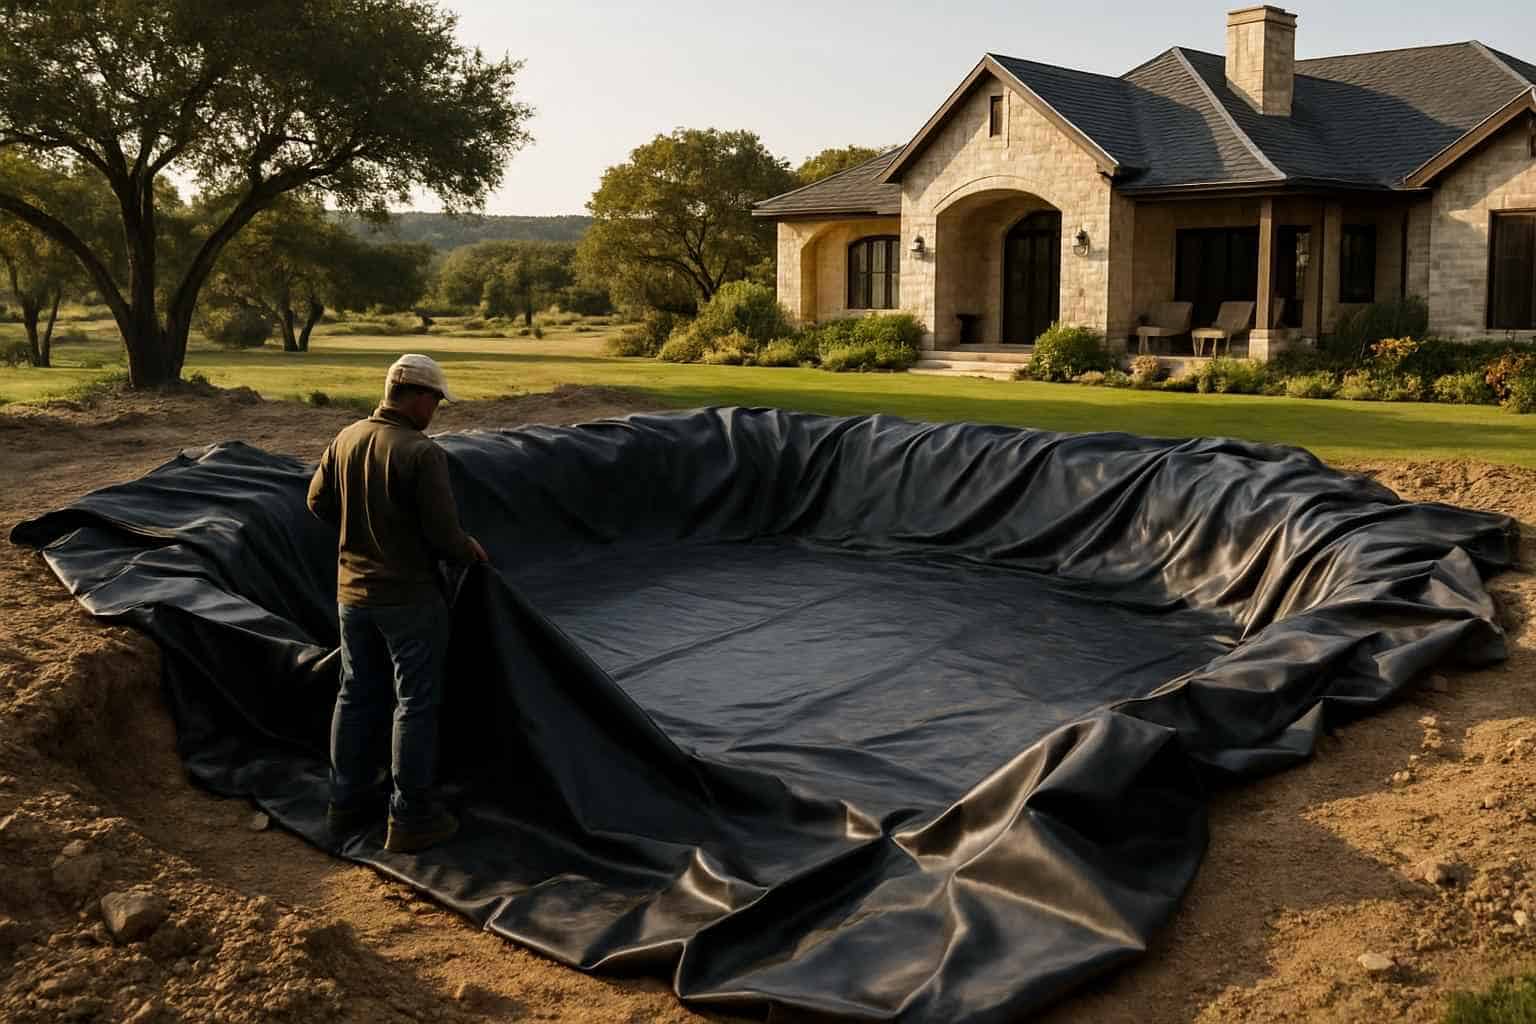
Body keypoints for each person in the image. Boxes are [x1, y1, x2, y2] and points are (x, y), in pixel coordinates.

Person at [306, 354, 488, 853]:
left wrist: (361, 532)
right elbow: (444, 535)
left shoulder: (345, 438)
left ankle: (344, 805)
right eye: (436, 401)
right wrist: (469, 550)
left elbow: (317, 503)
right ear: (417, 396)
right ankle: (410, 818)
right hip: (409, 598)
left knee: (354, 693)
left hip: (351, 596)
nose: (436, 411)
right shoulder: (421, 452)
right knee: (415, 703)